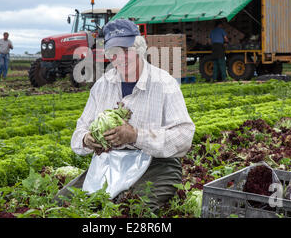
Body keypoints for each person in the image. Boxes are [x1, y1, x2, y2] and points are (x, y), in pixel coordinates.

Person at [57, 19, 195, 213]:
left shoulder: (164, 84)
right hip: (110, 161)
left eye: (126, 50)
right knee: (62, 203)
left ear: (139, 48)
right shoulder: (102, 86)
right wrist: (87, 139)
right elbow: (80, 129)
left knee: (132, 208)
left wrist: (136, 136)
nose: (120, 58)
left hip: (157, 163)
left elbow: (185, 135)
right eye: (114, 53)